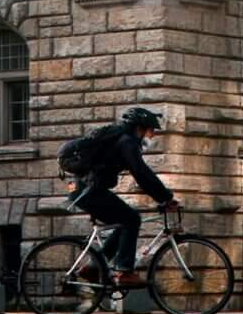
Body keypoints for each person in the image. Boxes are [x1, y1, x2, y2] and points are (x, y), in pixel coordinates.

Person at [70, 105, 175, 284]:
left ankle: (95, 267)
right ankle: (125, 272)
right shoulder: (127, 142)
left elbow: (141, 174)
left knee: (124, 221)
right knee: (132, 219)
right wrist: (165, 198)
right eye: (149, 130)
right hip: (89, 192)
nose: (150, 136)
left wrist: (163, 196)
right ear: (138, 128)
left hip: (82, 189)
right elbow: (142, 173)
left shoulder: (121, 139)